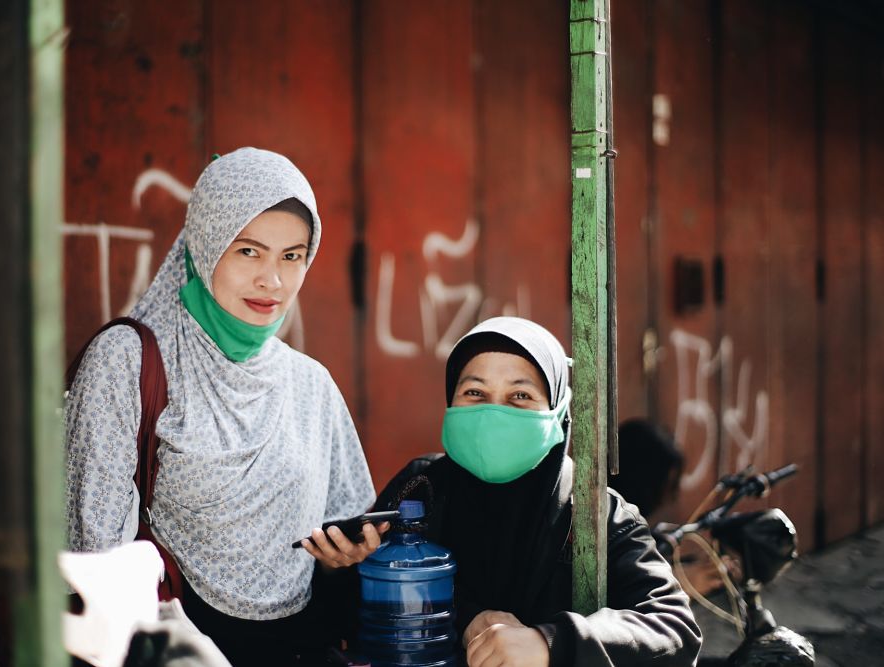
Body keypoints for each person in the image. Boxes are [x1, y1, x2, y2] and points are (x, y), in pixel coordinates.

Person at [66, 147, 384, 666]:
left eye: (292, 255)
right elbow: (95, 558)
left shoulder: (311, 385)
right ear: (206, 243)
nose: (273, 282)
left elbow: (343, 544)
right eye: (248, 251)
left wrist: (344, 561)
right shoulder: (128, 360)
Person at [375, 316, 702, 666]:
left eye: (520, 395)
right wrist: (466, 619)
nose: (494, 412)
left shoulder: (597, 512)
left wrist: (551, 643)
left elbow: (675, 631)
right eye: (474, 393)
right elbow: (351, 605)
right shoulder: (419, 488)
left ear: (557, 411)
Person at [611, 418, 728, 596]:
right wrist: (681, 584)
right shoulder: (607, 528)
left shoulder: (632, 529)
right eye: (668, 485)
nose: (670, 498)